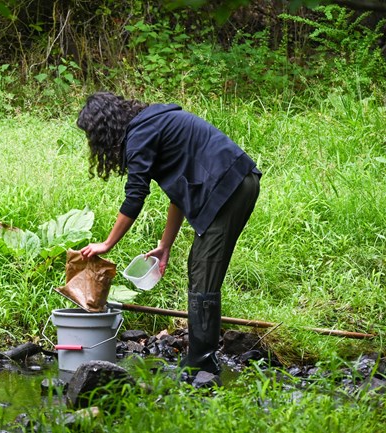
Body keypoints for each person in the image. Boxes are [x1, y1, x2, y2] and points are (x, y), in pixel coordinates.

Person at [77, 91, 261, 375]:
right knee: (200, 269)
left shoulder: (139, 137)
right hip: (237, 182)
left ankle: (202, 368)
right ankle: (202, 361)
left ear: (104, 128)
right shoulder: (153, 125)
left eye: (91, 135)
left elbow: (135, 196)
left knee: (203, 274)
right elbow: (178, 194)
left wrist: (107, 243)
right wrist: (165, 244)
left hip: (230, 187)